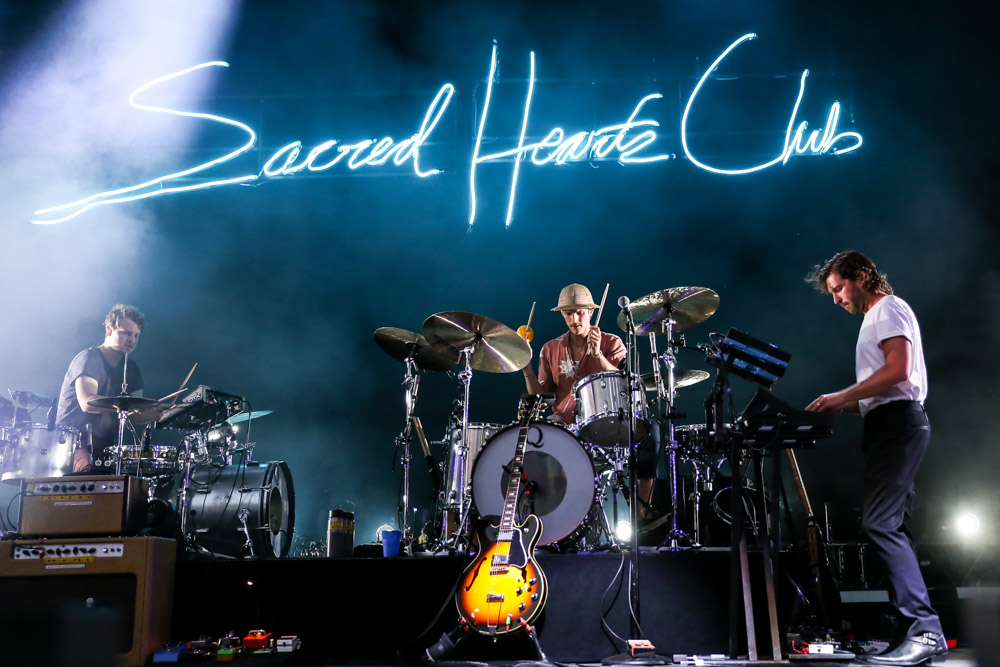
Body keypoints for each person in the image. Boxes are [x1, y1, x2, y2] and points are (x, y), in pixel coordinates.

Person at [805, 250, 946, 665]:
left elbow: (898, 373)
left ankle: (924, 629)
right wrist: (835, 405)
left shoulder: (886, 309)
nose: (836, 300)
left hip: (898, 425)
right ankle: (915, 630)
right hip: (891, 422)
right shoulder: (878, 315)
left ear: (862, 276)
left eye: (838, 289)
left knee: (880, 523)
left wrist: (842, 395)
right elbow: (881, 391)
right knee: (893, 524)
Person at [56, 304, 166, 473]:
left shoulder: (132, 368)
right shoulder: (89, 358)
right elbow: (88, 402)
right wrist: (125, 406)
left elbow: (133, 415)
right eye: (126, 333)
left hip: (107, 448)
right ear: (109, 330)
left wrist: (155, 413)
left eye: (136, 335)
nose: (132, 340)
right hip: (72, 444)